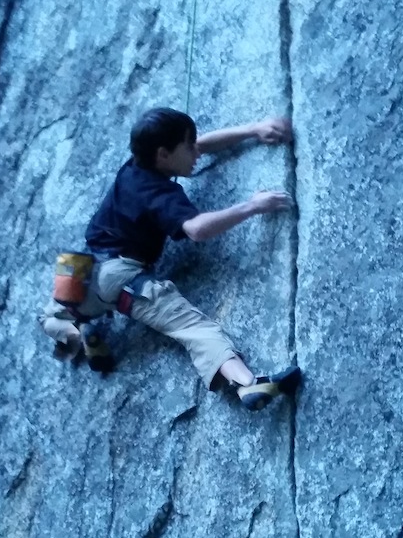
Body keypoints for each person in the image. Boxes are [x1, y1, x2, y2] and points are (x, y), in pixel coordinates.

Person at [39, 107, 300, 410]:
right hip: (123, 280)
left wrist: (253, 129)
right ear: (163, 154)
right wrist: (252, 206)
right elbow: (197, 229)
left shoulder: (134, 167)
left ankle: (80, 331)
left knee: (49, 317)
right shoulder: (161, 195)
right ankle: (247, 384)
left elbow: (200, 145)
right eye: (188, 147)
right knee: (193, 328)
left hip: (82, 273)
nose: (196, 152)